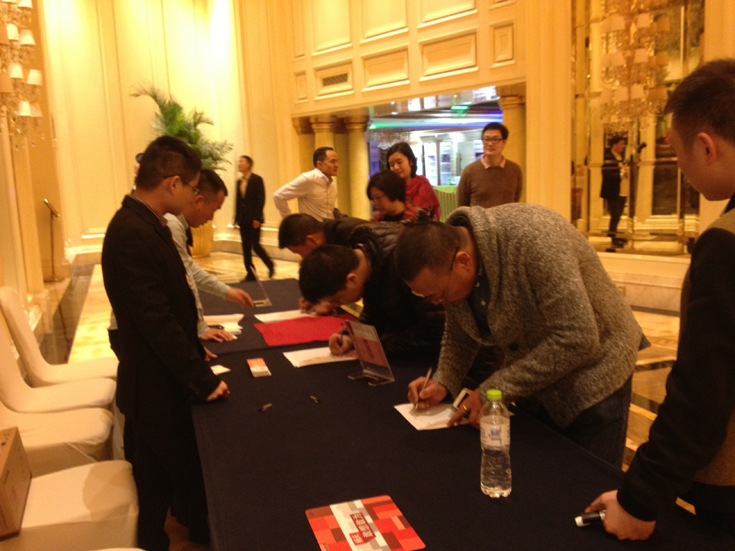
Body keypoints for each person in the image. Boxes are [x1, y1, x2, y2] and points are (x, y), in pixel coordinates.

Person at [586, 58, 735, 541]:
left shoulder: (725, 243)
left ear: (706, 147)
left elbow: (702, 393)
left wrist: (639, 500)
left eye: (678, 152)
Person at [396, 205, 641, 467]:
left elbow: (578, 336)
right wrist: (443, 380)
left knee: (589, 480)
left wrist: (494, 389)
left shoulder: (535, 239)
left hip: (597, 370)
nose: (437, 303)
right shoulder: (449, 259)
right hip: (540, 368)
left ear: (463, 262)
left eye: (438, 295)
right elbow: (460, 333)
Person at [102, 136, 229, 550]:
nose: (194, 196)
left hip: (156, 382)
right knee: (183, 476)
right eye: (192, 188)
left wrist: (193, 346)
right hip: (154, 387)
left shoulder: (145, 222)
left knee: (155, 481)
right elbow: (155, 320)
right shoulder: (132, 231)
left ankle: (156, 539)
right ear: (173, 183)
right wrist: (203, 379)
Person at [299, 225, 445, 360]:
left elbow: (438, 326)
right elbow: (375, 313)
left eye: (337, 299)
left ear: (352, 279)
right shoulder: (367, 260)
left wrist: (379, 347)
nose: (338, 304)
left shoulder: (405, 261)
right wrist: (351, 337)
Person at [166, 168, 253, 343]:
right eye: (214, 209)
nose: (211, 217)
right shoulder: (172, 223)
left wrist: (225, 291)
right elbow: (186, 278)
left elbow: (187, 267)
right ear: (198, 201)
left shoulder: (174, 221)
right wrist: (201, 327)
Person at [456, 122, 522, 208]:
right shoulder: (469, 171)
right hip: (477, 217)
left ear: (504, 142)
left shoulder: (514, 170)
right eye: (486, 139)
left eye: (495, 139)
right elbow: (462, 206)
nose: (490, 144)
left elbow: (516, 201)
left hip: (506, 217)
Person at [234, 155, 274, 280]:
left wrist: (257, 218)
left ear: (248, 164)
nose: (239, 164)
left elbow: (261, 199)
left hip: (254, 219)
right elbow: (238, 202)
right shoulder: (238, 182)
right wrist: (236, 219)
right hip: (243, 219)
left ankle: (270, 264)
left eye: (242, 161)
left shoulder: (257, 179)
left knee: (255, 245)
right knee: (245, 247)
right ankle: (250, 273)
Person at [273, 146, 338, 221]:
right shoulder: (309, 179)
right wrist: (291, 221)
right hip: (312, 227)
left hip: (329, 227)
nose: (337, 165)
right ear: (319, 164)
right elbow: (279, 196)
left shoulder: (330, 183)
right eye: (332, 161)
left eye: (337, 161)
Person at [277, 212, 369, 258]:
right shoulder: (328, 235)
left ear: (311, 240)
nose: (303, 258)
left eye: (300, 253)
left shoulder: (350, 235)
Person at [387, 142, 440, 220]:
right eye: (392, 165)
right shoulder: (390, 188)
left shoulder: (422, 184)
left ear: (411, 161)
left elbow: (422, 217)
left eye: (399, 162)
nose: (396, 167)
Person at [600, 135, 629, 248]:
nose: (623, 146)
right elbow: (607, 173)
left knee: (618, 214)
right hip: (612, 191)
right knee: (615, 215)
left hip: (621, 190)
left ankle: (613, 233)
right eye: (621, 144)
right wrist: (621, 174)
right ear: (614, 144)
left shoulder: (620, 157)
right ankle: (613, 237)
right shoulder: (608, 157)